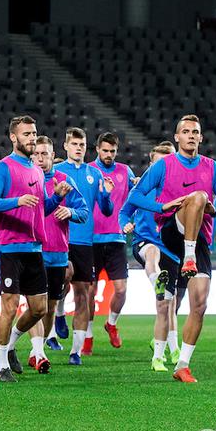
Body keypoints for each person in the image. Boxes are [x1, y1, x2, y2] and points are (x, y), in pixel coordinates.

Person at [127, 115, 216, 383]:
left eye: (195, 132)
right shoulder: (164, 166)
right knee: (198, 195)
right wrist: (162, 206)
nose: (190, 135)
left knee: (199, 304)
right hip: (170, 232)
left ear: (200, 138)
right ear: (177, 138)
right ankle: (187, 257)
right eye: (185, 131)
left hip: (199, 239)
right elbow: (135, 197)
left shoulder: (213, 168)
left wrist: (214, 210)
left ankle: (182, 365)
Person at [0, 116, 69, 383]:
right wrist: (16, 201)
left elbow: (41, 207)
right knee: (9, 308)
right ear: (13, 137)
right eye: (27, 134)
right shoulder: (2, 168)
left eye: (34, 133)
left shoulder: (35, 170)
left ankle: (10, 345)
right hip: (8, 247)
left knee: (39, 309)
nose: (32, 138)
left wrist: (57, 197)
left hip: (34, 248)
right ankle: (1, 367)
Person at [54, 128, 113, 362]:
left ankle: (75, 352)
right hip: (61, 239)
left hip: (85, 242)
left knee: (83, 294)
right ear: (66, 146)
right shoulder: (57, 172)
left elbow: (106, 212)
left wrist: (107, 195)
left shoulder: (94, 174)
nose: (79, 148)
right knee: (62, 281)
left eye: (82, 144)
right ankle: (59, 312)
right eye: (75, 144)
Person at [120, 141, 179, 372]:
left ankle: (169, 351)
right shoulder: (141, 189)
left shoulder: (177, 187)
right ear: (151, 163)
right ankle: (156, 280)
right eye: (160, 162)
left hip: (172, 250)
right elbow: (124, 212)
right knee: (152, 254)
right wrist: (125, 225)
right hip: (145, 243)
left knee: (168, 306)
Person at [31, 136, 88, 370]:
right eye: (36, 154)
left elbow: (84, 211)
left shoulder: (65, 180)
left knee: (50, 307)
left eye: (45, 154)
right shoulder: (27, 179)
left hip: (58, 253)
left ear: (54, 155)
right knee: (36, 305)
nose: (40, 158)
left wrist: (70, 212)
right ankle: (37, 351)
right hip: (33, 250)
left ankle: (37, 347)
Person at [89, 132, 136, 350]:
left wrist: (131, 220)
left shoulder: (125, 171)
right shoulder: (89, 170)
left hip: (116, 238)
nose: (108, 155)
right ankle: (86, 335)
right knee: (89, 291)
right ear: (97, 149)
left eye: (112, 151)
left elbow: (135, 196)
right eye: (105, 150)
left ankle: (111, 323)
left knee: (121, 289)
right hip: (91, 239)